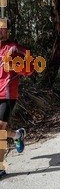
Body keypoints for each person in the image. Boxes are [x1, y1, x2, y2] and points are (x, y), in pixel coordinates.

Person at [0, 18, 34, 179]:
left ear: (8, 30)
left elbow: (31, 67)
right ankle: (17, 135)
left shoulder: (14, 49)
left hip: (7, 95)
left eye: (3, 28)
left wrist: (15, 67)